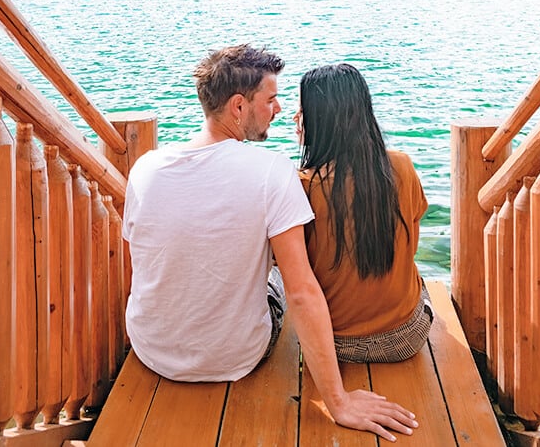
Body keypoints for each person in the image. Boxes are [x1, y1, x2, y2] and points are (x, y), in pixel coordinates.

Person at [123, 44, 417, 439]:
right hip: (238, 357)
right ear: (239, 107)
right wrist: (338, 402)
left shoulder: (145, 167)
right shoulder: (271, 171)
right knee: (280, 273)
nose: (279, 110)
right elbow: (300, 292)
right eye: (272, 99)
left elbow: (143, 256)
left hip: (150, 349)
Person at [296, 63, 432, 363]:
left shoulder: (303, 185)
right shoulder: (401, 166)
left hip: (336, 344)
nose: (296, 118)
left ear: (320, 119)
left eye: (302, 110)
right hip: (408, 336)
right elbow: (410, 247)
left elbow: (297, 272)